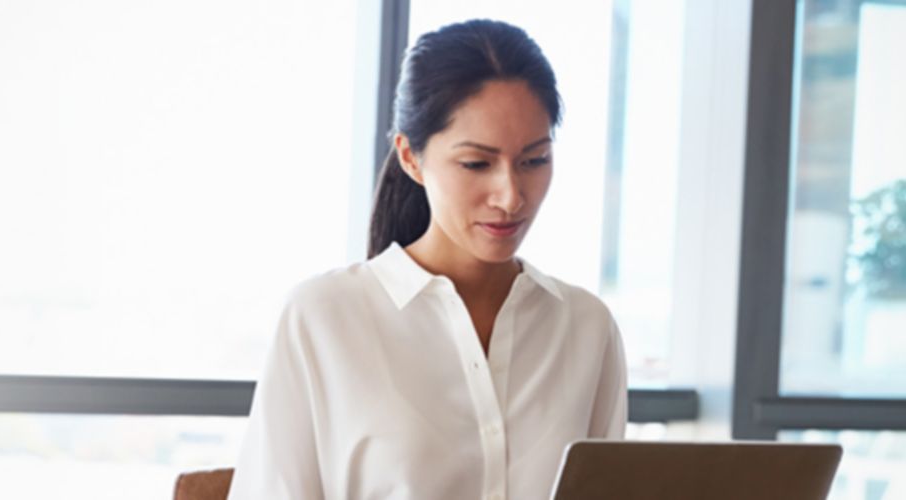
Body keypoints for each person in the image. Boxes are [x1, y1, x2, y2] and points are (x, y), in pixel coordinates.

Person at [225, 19, 627, 500]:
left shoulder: (586, 327)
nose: (511, 196)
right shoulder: (323, 318)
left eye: (534, 160)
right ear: (410, 157)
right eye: (476, 163)